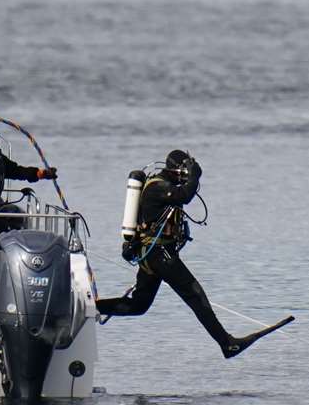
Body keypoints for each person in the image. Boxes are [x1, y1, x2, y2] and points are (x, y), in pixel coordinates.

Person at [96, 149, 293, 359]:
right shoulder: (158, 187)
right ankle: (227, 344)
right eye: (184, 171)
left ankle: (90, 308)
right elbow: (185, 196)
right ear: (174, 170)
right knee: (196, 296)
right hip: (159, 254)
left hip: (154, 255)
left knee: (139, 305)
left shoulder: (166, 185)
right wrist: (196, 174)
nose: (186, 176)